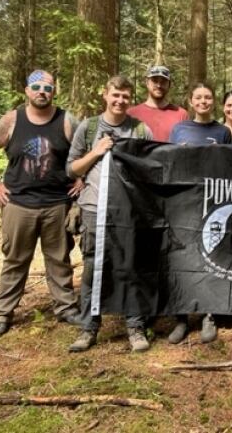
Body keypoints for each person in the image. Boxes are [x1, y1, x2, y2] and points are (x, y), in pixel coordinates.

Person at [0, 70, 81, 339]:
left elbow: (86, 150)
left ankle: (66, 308)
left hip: (57, 203)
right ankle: (2, 314)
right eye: (36, 87)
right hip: (18, 203)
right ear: (26, 91)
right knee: (15, 260)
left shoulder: (67, 120)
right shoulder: (13, 120)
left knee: (59, 259)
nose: (42, 92)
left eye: (47, 87)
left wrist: (81, 179)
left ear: (54, 91)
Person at [66, 76, 154, 353]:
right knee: (93, 268)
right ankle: (88, 328)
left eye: (125, 96)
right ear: (105, 95)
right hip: (94, 210)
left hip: (129, 212)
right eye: (115, 95)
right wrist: (96, 152)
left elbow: (151, 168)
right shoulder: (89, 127)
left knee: (132, 267)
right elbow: (72, 169)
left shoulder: (140, 130)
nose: (120, 101)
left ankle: (136, 327)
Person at [168, 82, 232, 344]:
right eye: (199, 97)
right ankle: (181, 318)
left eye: (208, 97)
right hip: (184, 203)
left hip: (213, 203)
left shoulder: (223, 131)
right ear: (191, 101)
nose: (203, 101)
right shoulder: (179, 129)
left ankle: (209, 315)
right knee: (183, 259)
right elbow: (168, 164)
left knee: (211, 258)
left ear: (213, 102)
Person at [127, 65, 187, 142]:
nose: (159, 85)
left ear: (169, 85)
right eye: (155, 81)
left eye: (163, 82)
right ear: (147, 83)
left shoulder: (181, 114)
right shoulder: (131, 114)